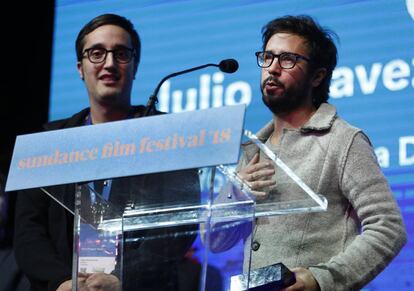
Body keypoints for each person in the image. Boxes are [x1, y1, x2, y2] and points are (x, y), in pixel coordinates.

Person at [213, 15, 407, 291]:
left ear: (317, 76)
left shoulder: (342, 139)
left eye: (288, 59)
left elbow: (388, 228)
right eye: (267, 57)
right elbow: (215, 241)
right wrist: (236, 192)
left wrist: (322, 279)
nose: (273, 69)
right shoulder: (253, 150)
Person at [14, 14, 199, 291]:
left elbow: (177, 229)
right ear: (80, 67)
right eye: (97, 53)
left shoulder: (166, 137)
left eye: (121, 54)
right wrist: (62, 283)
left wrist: (123, 278)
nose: (109, 64)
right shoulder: (48, 142)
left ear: (134, 66)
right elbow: (29, 231)